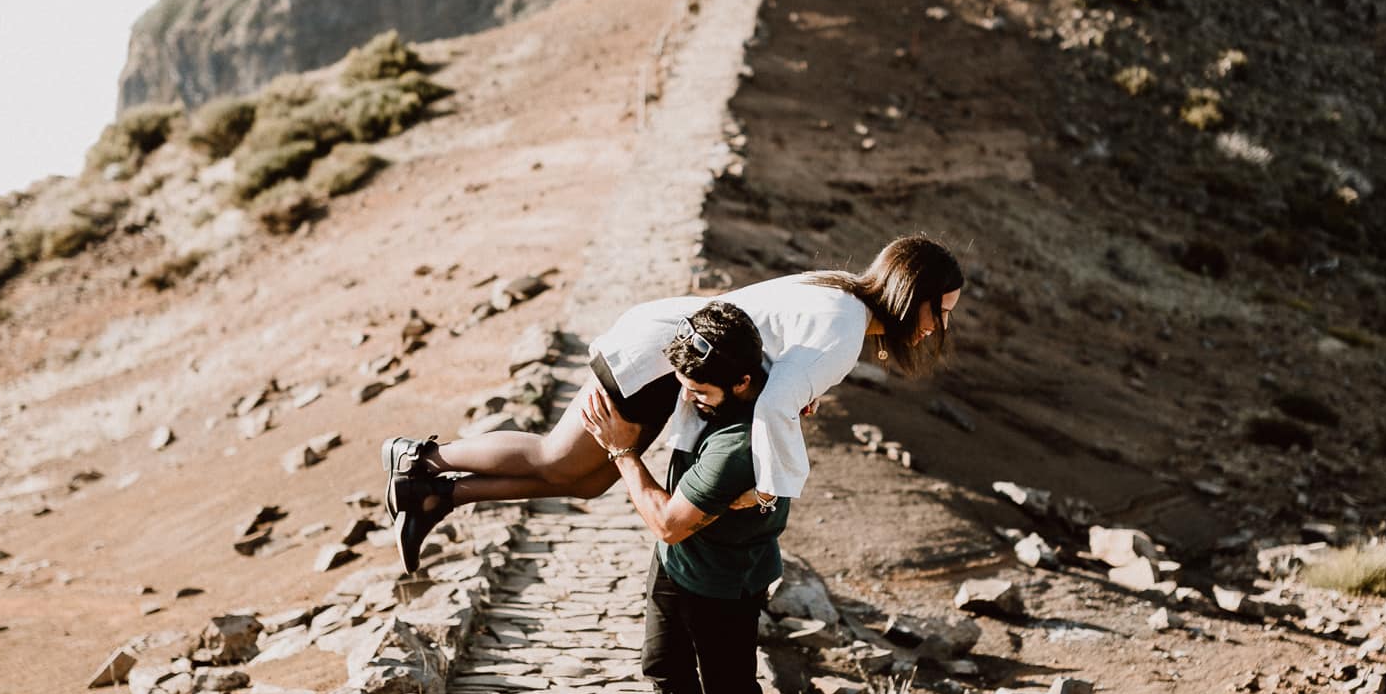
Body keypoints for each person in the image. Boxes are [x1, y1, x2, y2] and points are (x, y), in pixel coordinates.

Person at [383, 234, 963, 571]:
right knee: (555, 459)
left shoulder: (840, 292)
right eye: (941, 309)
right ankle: (423, 457)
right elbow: (774, 414)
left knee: (587, 482)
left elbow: (769, 365)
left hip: (673, 351)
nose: (942, 325)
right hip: (659, 355)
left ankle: (436, 494)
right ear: (911, 296)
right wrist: (766, 491)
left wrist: (780, 391)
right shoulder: (843, 331)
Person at [580, 301, 785, 694]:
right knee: (664, 667)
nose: (688, 398)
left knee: (730, 690)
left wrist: (621, 452)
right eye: (684, 384)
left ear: (742, 382)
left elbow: (667, 521)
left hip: (723, 580)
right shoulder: (737, 372)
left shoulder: (738, 444)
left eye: (699, 392)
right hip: (675, 567)